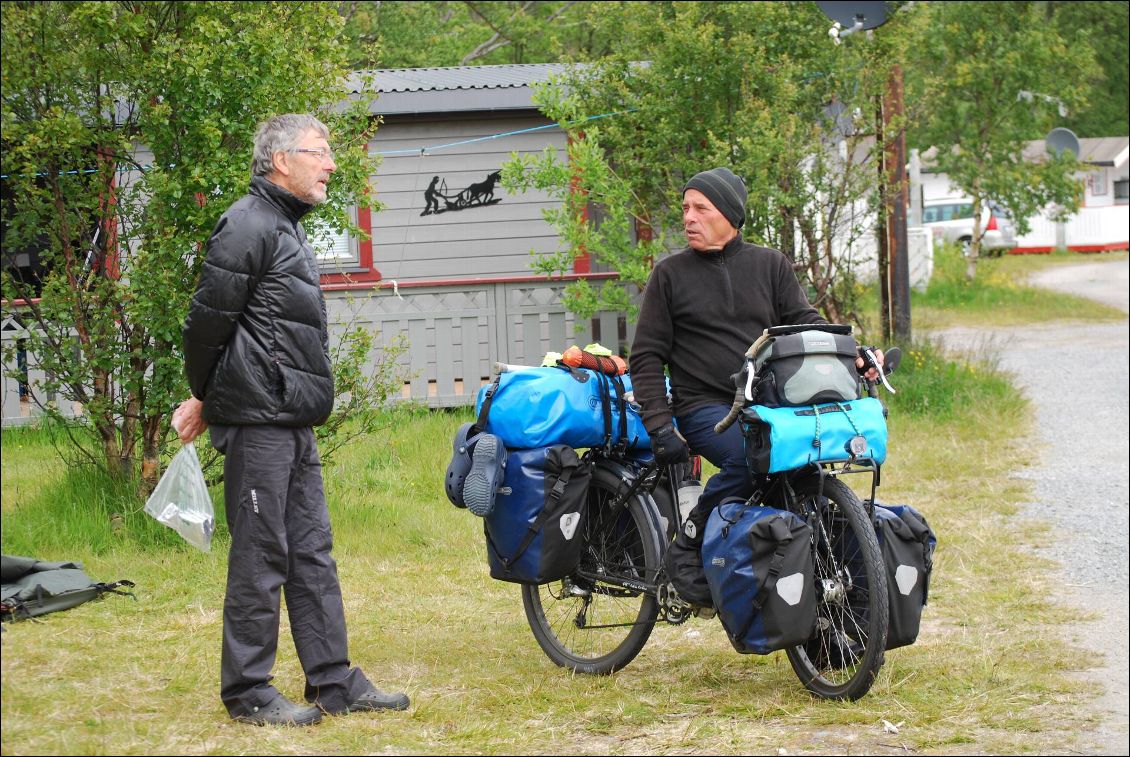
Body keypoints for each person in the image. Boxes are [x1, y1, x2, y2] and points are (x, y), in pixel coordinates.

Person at [173, 113, 409, 727]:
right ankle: (249, 691)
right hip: (257, 421)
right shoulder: (247, 224)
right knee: (261, 553)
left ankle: (334, 681)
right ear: (282, 160)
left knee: (312, 552)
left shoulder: (284, 226)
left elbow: (260, 329)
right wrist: (205, 397)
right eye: (320, 152)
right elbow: (207, 325)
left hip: (291, 418)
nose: (331, 163)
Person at [629, 167, 880, 605]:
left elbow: (805, 324)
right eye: (685, 208)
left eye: (700, 208)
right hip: (706, 406)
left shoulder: (770, 265)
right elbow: (646, 357)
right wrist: (661, 428)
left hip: (769, 405)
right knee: (750, 461)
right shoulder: (669, 275)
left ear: (729, 214)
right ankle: (689, 543)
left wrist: (854, 352)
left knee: (804, 467)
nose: (688, 217)